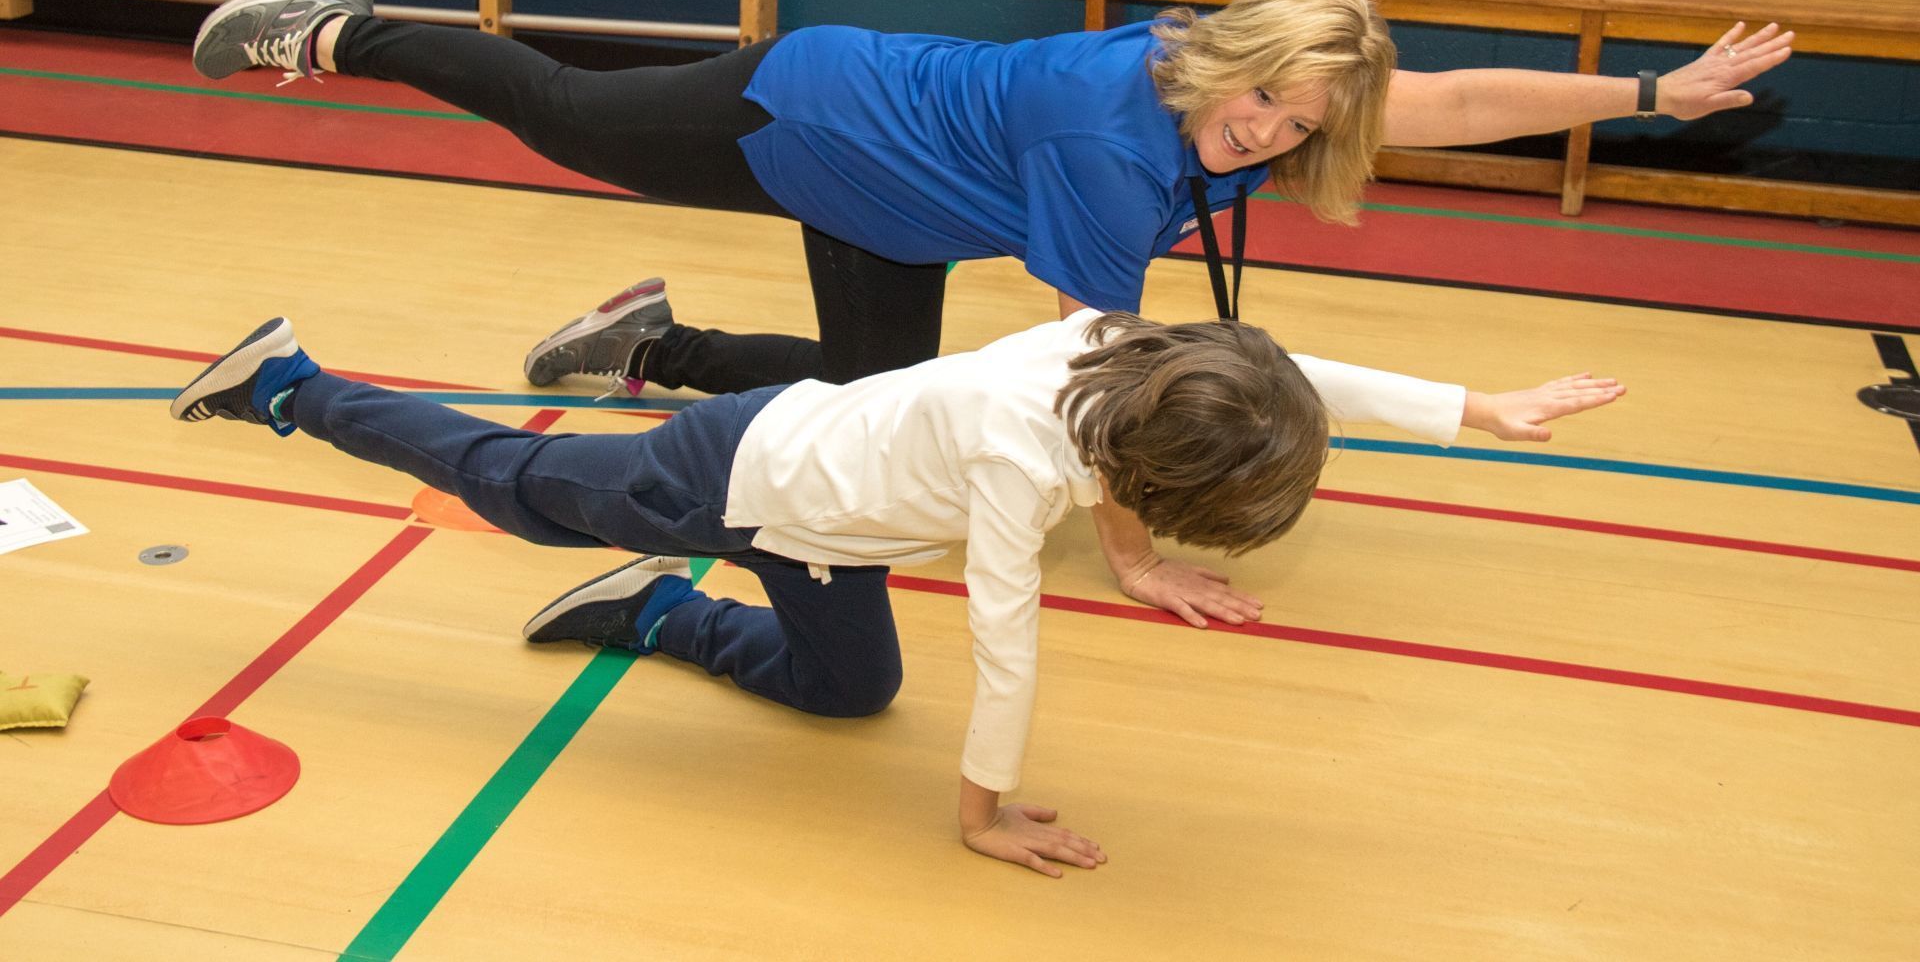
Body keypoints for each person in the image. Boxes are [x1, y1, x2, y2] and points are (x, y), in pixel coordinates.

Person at [188, 0, 1750, 627]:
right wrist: (1132, 560)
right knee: (576, 116)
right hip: (812, 120)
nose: (1270, 137)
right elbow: (1099, 388)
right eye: (1262, 106)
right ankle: (344, 31)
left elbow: (1457, 100)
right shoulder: (1106, 141)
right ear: (1231, 64)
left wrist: (1660, 95)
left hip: (912, 209)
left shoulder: (1260, 91)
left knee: (878, 412)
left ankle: (648, 345)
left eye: (1298, 122)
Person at [169, 309, 1623, 875]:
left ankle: (656, 611)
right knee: (503, 482)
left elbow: (1295, 376)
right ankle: (288, 387)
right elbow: (1006, 639)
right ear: (1142, 462)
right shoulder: (1013, 458)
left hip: (824, 528)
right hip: (725, 481)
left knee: (853, 690)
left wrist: (1475, 409)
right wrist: (982, 816)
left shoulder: (1124, 353)